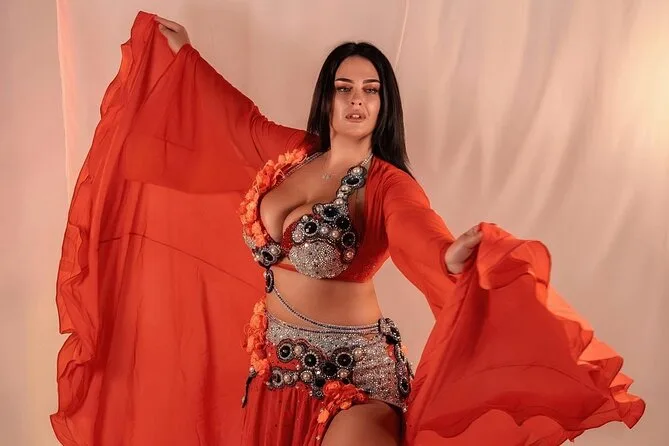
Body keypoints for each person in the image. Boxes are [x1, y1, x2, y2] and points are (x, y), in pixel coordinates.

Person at [51, 11, 645, 446]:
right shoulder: (291, 153)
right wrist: (184, 59)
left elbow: (419, 233)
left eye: (371, 90)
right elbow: (233, 119)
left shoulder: (387, 185)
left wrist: (451, 256)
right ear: (328, 99)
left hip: (356, 375)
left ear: (384, 106)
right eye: (345, 88)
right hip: (276, 371)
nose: (357, 100)